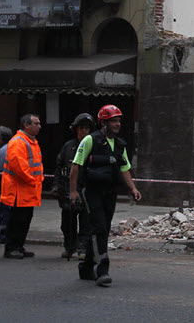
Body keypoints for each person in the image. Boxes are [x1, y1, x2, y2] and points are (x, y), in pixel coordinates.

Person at [69, 104, 142, 286]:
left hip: (110, 193)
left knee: (101, 230)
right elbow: (76, 166)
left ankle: (86, 268)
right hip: (91, 191)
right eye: (113, 121)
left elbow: (124, 168)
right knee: (99, 228)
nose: (117, 124)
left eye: (118, 120)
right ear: (104, 122)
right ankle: (102, 270)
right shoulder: (90, 141)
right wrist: (73, 191)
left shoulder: (119, 145)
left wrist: (132, 188)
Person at [0, 114, 44, 259]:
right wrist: (33, 181)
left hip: (27, 190)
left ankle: (18, 246)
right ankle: (11, 248)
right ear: (26, 125)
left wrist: (36, 181)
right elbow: (19, 166)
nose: (39, 126)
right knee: (17, 220)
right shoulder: (19, 142)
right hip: (19, 190)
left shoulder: (30, 141)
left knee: (24, 220)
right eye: (36, 123)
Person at [54, 113, 93, 259]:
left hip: (86, 189)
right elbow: (59, 167)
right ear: (76, 129)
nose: (84, 130)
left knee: (86, 222)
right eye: (81, 127)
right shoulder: (68, 146)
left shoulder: (94, 146)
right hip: (68, 189)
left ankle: (82, 248)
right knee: (67, 222)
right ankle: (70, 246)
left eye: (87, 128)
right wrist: (57, 186)